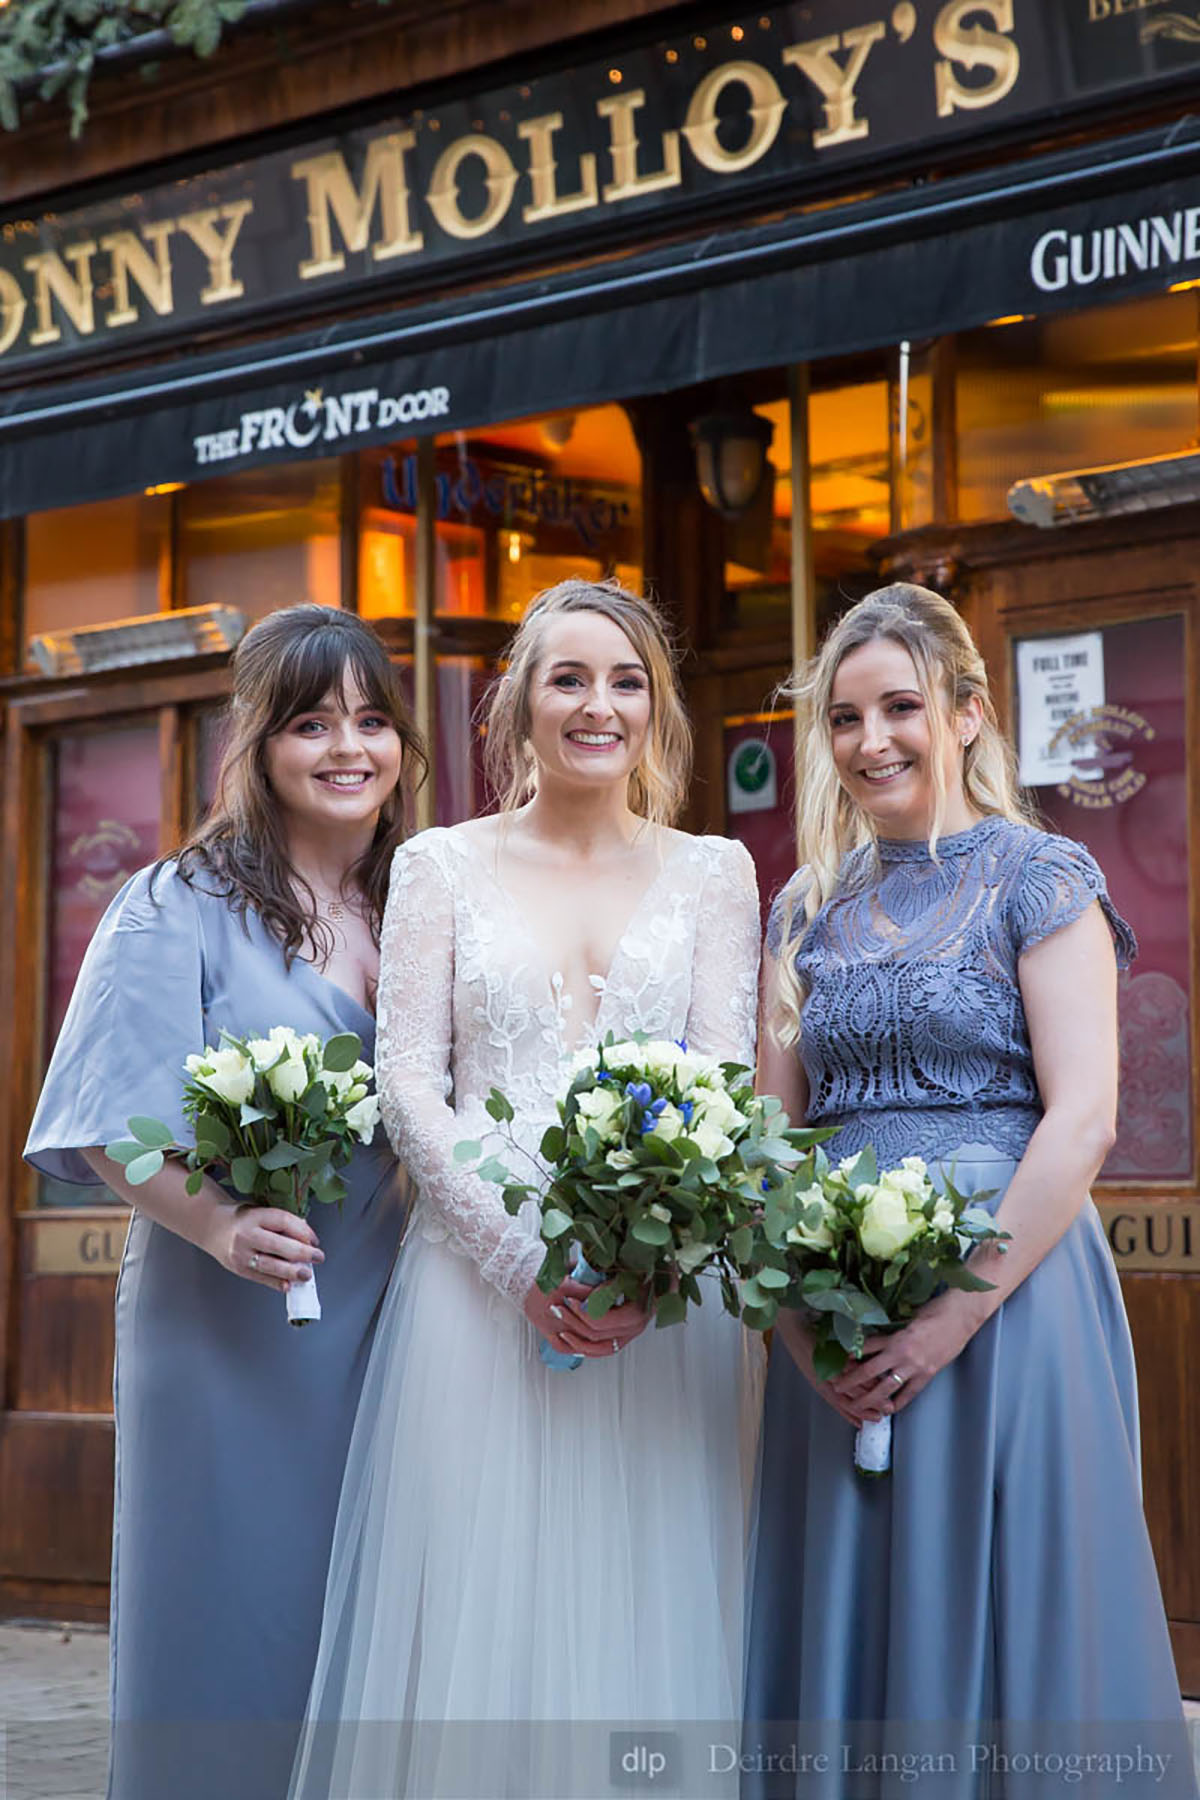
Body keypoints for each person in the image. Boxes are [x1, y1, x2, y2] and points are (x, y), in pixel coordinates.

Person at [289, 578, 764, 1800]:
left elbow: (723, 1081)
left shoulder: (716, 872)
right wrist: (520, 1262)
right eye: (568, 678)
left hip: (659, 1302)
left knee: (649, 1592)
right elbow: (409, 1085)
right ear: (515, 705)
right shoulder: (439, 867)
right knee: (479, 1611)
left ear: (655, 710)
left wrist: (646, 1263)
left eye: (625, 681)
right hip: (475, 1291)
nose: (597, 705)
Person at [743, 583, 1195, 1798]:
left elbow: (1085, 1115)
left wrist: (955, 1309)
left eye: (901, 707)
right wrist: (796, 1325)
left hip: (1011, 1301)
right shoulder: (805, 906)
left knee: (1012, 1594)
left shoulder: (1041, 877)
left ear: (971, 713)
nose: (872, 740)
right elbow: (768, 1138)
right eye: (844, 718)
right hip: (833, 1310)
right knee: (857, 1591)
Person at [25, 604, 423, 1800]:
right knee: (227, 1606)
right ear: (258, 744)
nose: (348, 747)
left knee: (363, 1614)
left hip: (389, 1313)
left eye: (371, 719)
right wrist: (214, 1221)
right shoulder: (172, 903)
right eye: (311, 722)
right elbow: (103, 1116)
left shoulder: (420, 903)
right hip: (222, 1319)